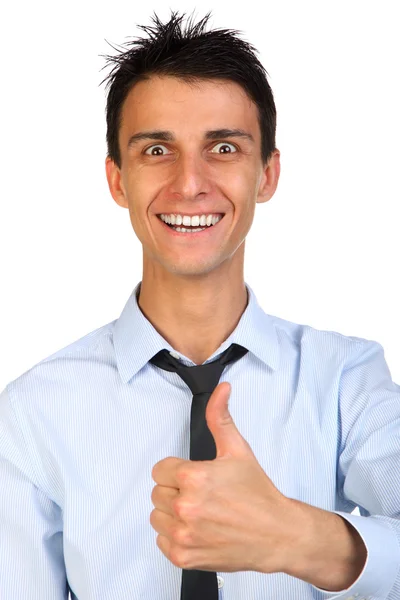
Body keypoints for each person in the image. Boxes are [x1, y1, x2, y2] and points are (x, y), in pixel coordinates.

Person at [0, 10, 399, 600]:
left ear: (267, 174)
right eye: (157, 149)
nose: (190, 183)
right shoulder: (31, 411)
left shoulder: (347, 380)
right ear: (117, 180)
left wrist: (298, 537)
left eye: (223, 147)